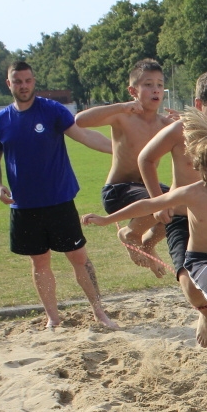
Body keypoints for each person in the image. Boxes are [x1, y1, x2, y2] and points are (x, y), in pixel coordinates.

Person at [82, 111, 207, 351]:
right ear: (205, 166)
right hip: (202, 258)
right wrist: (106, 219)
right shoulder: (193, 193)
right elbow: (149, 204)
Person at [0, 61, 118, 330]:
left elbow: (84, 136)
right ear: (9, 84)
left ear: (34, 82)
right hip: (24, 207)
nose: (23, 86)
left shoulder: (52, 111)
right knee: (39, 262)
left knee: (79, 258)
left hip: (59, 201)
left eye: (27, 80)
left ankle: (99, 312)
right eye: (17, 81)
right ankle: (53, 319)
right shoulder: (1, 121)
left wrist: (122, 152)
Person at [138, 70, 207, 349]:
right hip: (184, 219)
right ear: (198, 105)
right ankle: (205, 314)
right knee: (190, 284)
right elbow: (146, 159)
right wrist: (158, 201)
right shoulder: (179, 131)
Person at [75, 58, 175, 276]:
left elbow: (199, 139)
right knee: (161, 199)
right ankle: (130, 234)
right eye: (148, 84)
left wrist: (184, 121)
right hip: (118, 191)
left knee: (178, 202)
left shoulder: (165, 124)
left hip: (146, 190)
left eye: (159, 84)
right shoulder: (123, 117)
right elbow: (80, 120)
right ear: (133, 90)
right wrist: (120, 106)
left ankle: (148, 243)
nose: (155, 90)